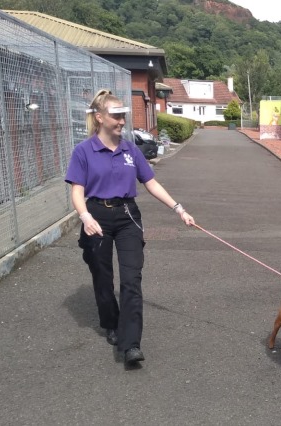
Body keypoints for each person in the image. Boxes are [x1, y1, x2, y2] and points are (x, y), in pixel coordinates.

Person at [65, 89, 195, 366]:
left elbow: (151, 183)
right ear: (99, 118)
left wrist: (179, 209)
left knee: (131, 278)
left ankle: (131, 343)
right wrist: (85, 217)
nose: (122, 121)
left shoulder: (130, 149)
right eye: (116, 116)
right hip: (96, 214)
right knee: (102, 275)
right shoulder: (84, 151)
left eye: (123, 116)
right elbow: (77, 190)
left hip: (127, 216)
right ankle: (111, 322)